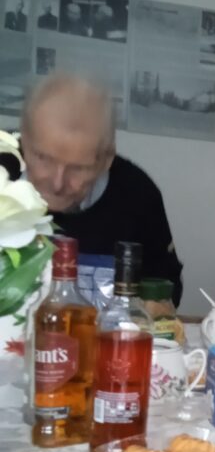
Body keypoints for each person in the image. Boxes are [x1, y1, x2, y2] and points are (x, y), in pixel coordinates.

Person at [9, 74, 182, 304]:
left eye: (78, 168)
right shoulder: (3, 168)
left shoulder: (138, 196)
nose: (58, 183)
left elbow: (165, 294)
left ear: (106, 159)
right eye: (43, 158)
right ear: (24, 139)